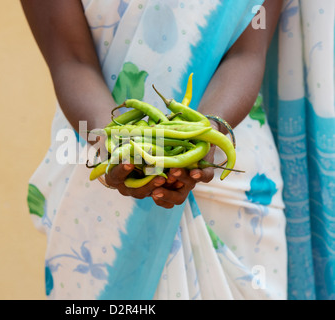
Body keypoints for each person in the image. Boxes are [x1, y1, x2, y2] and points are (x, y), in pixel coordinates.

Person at [21, 0, 287, 299]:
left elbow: (247, 54)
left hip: (231, 183)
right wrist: (113, 143)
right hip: (97, 160)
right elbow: (70, 60)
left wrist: (209, 133)